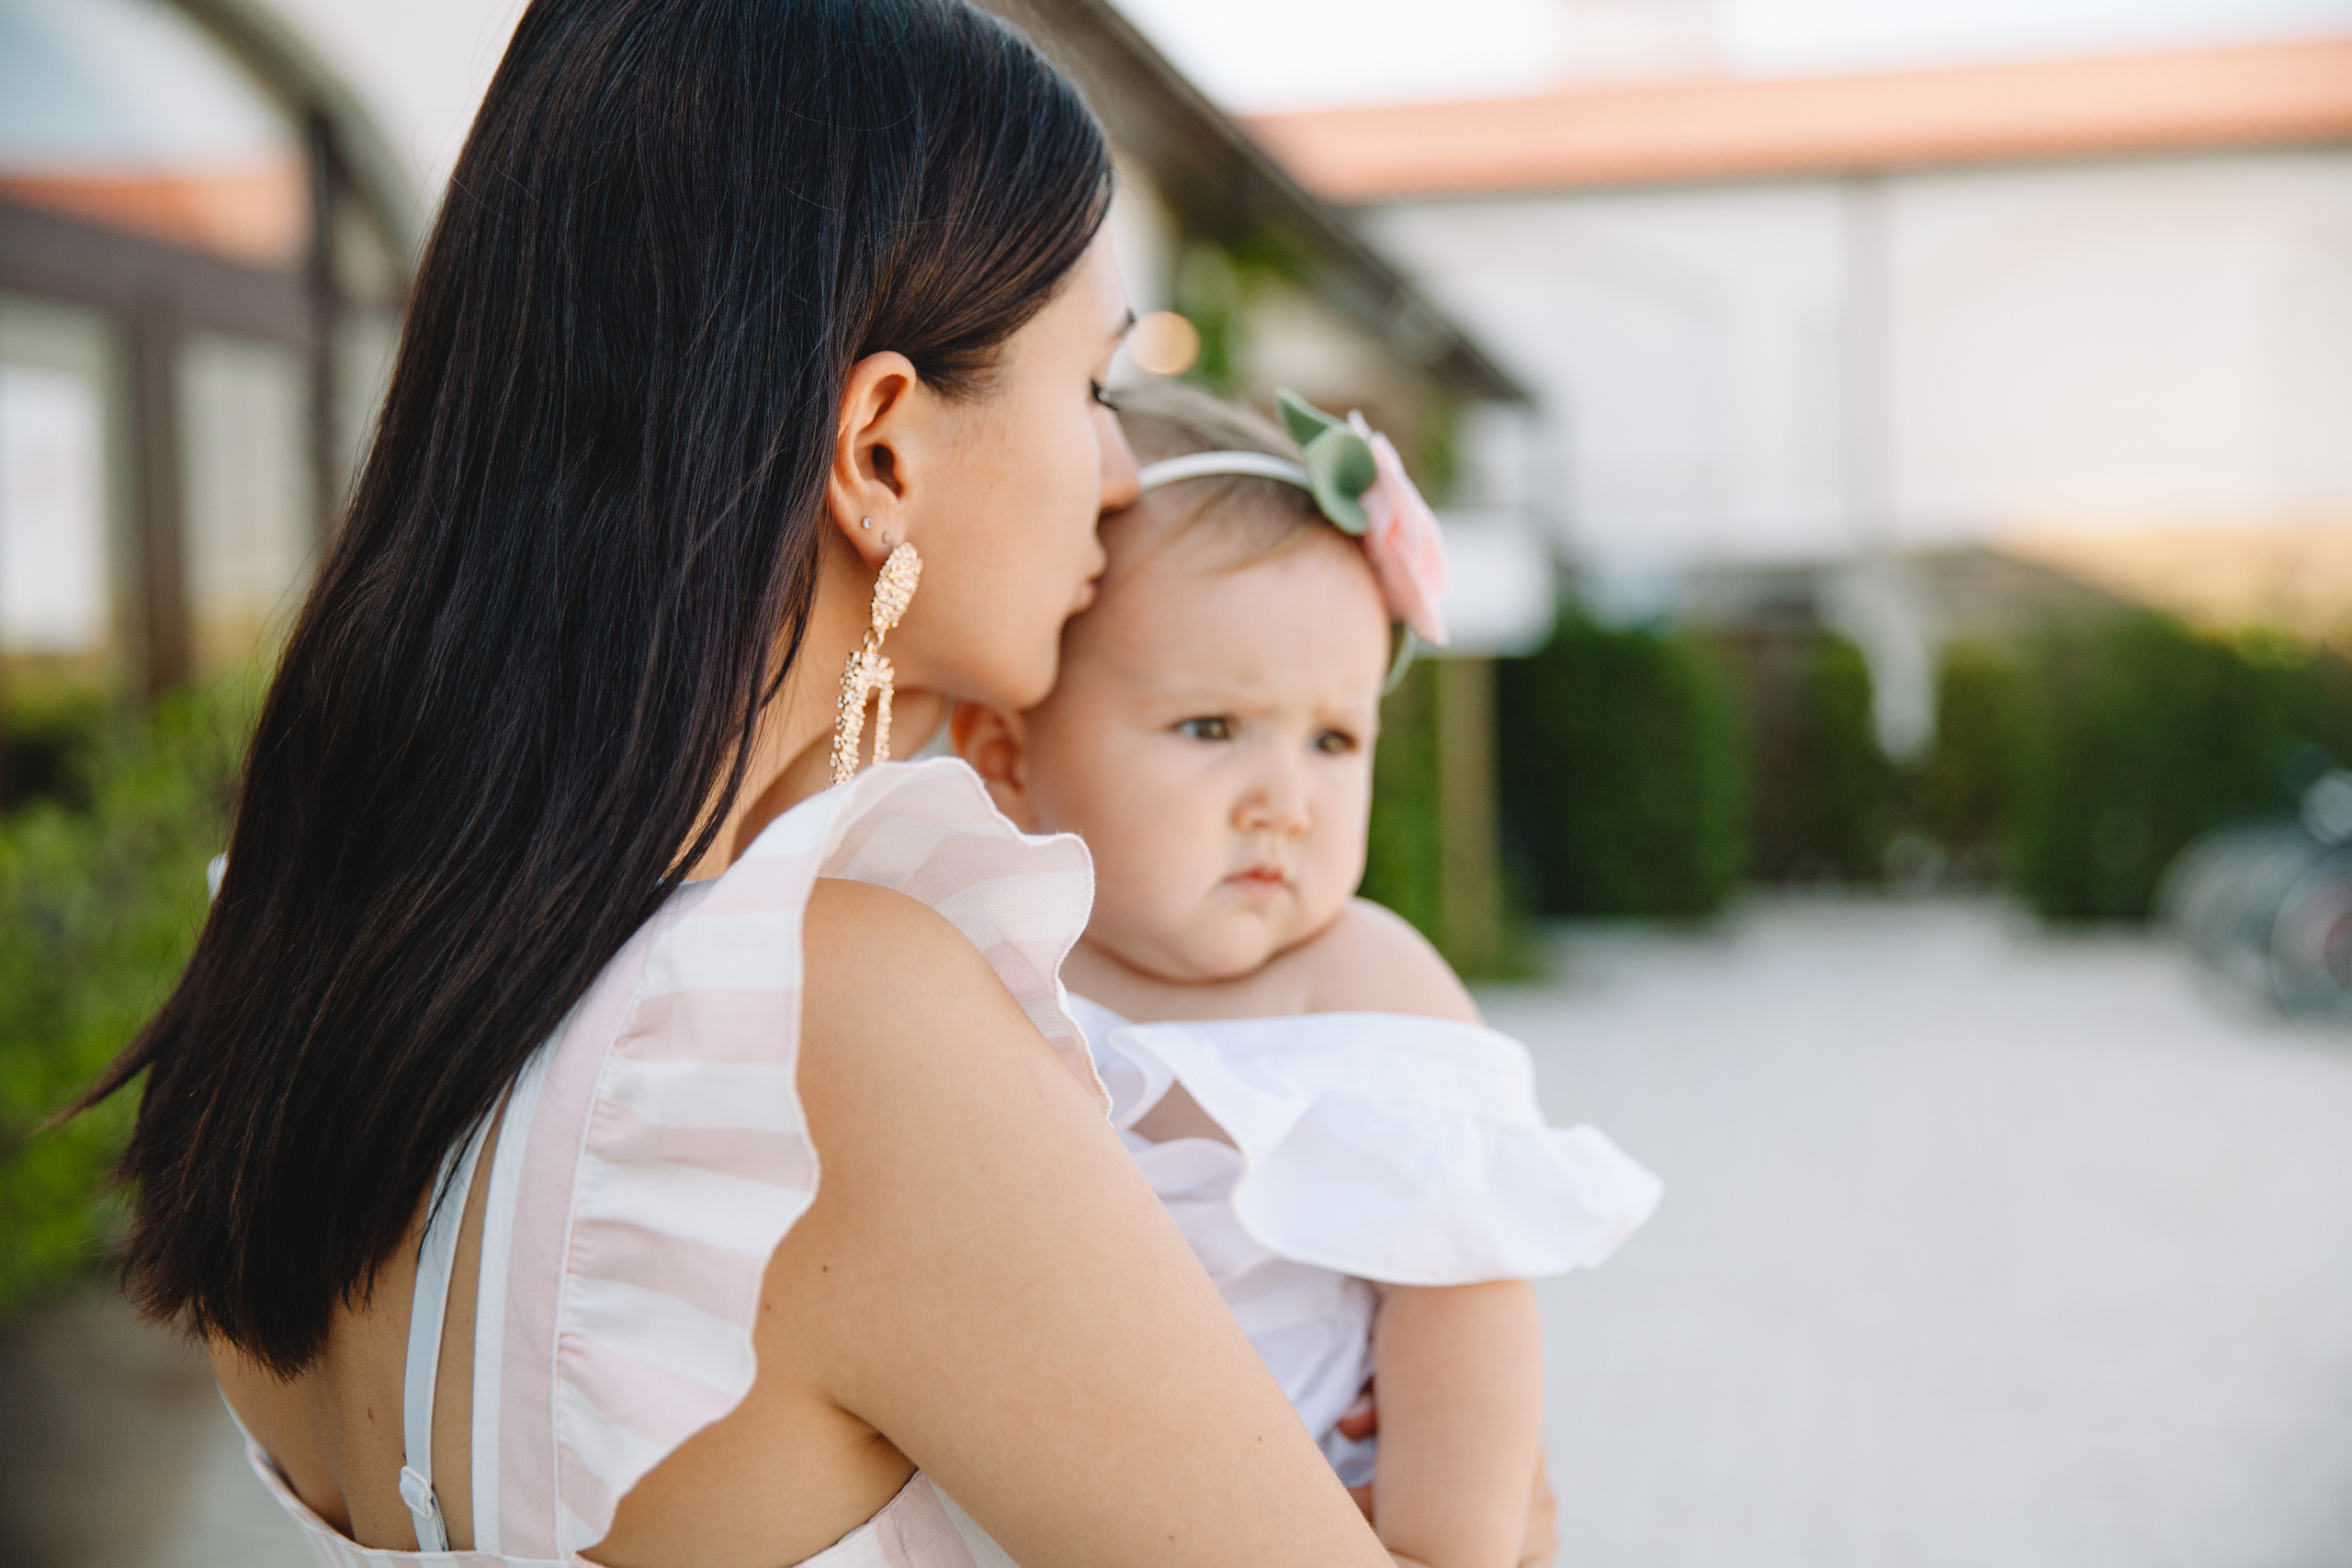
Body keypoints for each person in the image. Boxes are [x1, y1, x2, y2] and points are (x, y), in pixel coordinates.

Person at [67, 4, 1427, 1563]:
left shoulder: (310, 949)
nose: (1119, 478)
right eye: (1098, 392)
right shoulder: (835, 1032)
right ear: (882, 453)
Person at [952, 384, 1664, 1568]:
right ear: (1006, 756)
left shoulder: (1363, 983)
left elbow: (1465, 1289)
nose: (1286, 798)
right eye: (1213, 728)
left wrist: (1443, 1545)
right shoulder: (974, 965)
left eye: (1334, 740)